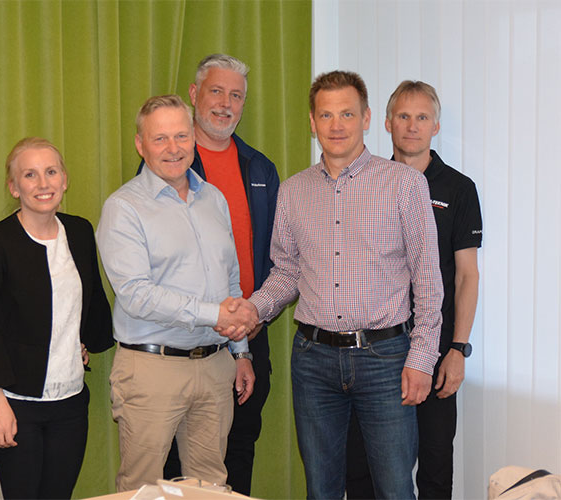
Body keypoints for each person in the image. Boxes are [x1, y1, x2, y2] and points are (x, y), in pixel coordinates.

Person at [245, 70, 444, 499]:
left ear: (367, 118)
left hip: (386, 360)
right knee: (322, 489)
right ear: (312, 122)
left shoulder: (405, 184)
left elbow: (428, 280)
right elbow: (286, 272)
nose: (336, 125)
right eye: (326, 115)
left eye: (347, 114)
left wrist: (422, 358)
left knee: (394, 489)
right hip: (313, 360)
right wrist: (253, 309)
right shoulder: (293, 192)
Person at [97, 94, 258, 492]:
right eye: (160, 138)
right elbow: (136, 295)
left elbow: (230, 281)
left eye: (181, 136)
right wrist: (214, 315)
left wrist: (240, 352)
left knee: (210, 487)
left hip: (216, 364)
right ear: (141, 145)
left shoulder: (214, 199)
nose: (173, 148)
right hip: (152, 369)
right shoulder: (124, 207)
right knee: (141, 489)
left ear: (193, 139)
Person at [137, 53, 279, 495]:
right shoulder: (171, 162)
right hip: (182, 341)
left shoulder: (260, 168)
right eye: (216, 91)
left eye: (235, 95)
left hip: (247, 334)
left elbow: (276, 255)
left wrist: (252, 320)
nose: (225, 104)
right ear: (195, 94)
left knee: (238, 450)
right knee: (174, 467)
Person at [0, 137, 113, 499]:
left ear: (65, 180)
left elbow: (84, 302)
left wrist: (77, 341)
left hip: (69, 403)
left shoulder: (80, 232)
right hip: (12, 403)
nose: (43, 184)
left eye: (51, 172)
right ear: (14, 187)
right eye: (30, 175)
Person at [345, 81, 483, 500]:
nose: (412, 126)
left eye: (422, 117)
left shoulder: (458, 189)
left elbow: (467, 276)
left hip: (436, 349)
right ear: (387, 123)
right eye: (403, 116)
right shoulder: (366, 183)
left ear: (435, 126)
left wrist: (458, 349)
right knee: (366, 466)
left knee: (435, 465)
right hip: (376, 349)